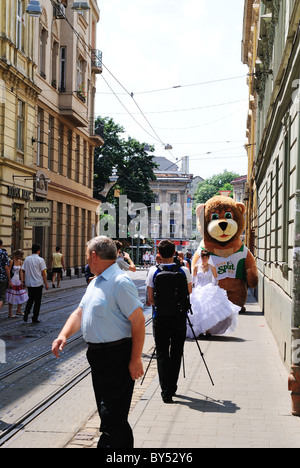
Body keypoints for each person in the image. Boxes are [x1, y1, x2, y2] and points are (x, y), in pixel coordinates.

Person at [52, 236, 145, 448]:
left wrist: (135, 359)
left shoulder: (120, 282)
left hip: (117, 357)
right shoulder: (96, 282)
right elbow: (80, 312)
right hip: (98, 356)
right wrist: (63, 335)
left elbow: (138, 321)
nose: (86, 261)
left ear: (94, 256)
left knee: (111, 420)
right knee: (113, 417)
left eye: (87, 256)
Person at [146, 239, 192, 403]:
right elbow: (189, 292)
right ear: (174, 253)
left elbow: (150, 299)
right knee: (177, 352)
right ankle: (173, 386)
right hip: (179, 318)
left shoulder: (153, 271)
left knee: (162, 354)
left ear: (159, 254)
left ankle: (165, 391)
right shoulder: (184, 271)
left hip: (160, 318)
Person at [187, 249, 240, 338]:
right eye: (203, 257)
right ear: (201, 258)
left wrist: (213, 288)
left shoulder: (212, 267)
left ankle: (207, 330)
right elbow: (194, 279)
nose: (204, 259)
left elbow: (216, 279)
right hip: (199, 289)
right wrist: (193, 289)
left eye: (206, 257)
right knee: (198, 311)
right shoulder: (196, 267)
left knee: (208, 312)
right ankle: (199, 331)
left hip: (208, 289)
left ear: (208, 258)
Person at [22, 243, 49, 323]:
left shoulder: (27, 259)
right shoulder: (41, 260)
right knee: (37, 302)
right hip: (38, 283)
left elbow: (23, 270)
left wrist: (23, 281)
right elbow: (43, 272)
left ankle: (26, 313)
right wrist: (46, 284)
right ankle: (35, 317)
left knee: (30, 299)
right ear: (38, 251)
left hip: (29, 283)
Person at [6, 249, 28, 318]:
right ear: (15, 255)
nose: (20, 257)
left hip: (18, 280)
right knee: (11, 297)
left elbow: (21, 271)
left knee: (21, 295)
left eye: (21, 256)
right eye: (19, 256)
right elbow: (8, 271)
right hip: (13, 280)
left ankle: (18, 310)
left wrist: (22, 280)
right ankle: (10, 313)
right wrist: (9, 280)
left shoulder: (20, 262)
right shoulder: (11, 261)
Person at [0, 240, 11, 311]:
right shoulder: (3, 253)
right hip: (2, 278)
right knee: (1, 297)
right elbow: (6, 268)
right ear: (1, 245)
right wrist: (9, 280)